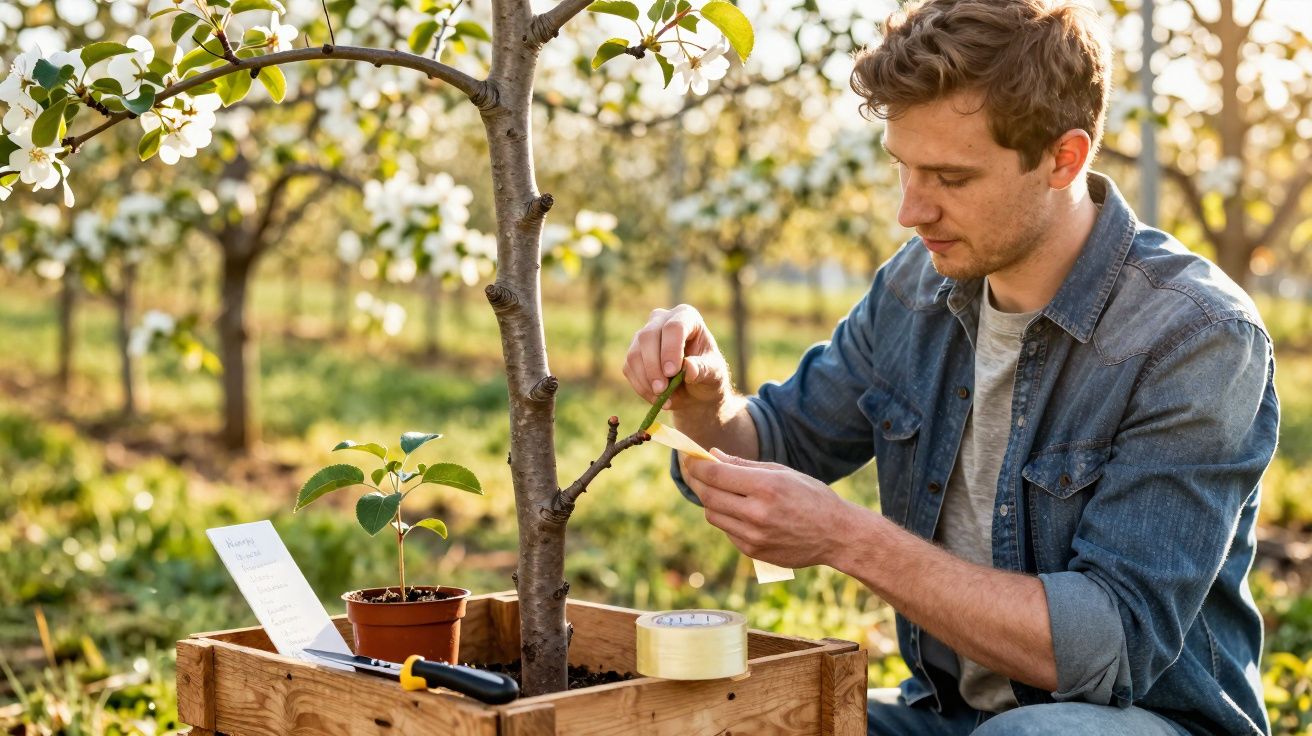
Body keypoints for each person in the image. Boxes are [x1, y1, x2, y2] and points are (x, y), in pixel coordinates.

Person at [621, 0, 1279, 734]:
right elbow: (776, 445)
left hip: (1140, 720)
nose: (910, 211)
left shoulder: (1196, 337)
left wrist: (848, 537)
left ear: (1064, 159)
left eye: (950, 178)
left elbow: (1109, 645)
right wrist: (704, 403)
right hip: (946, 716)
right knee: (730, 721)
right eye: (902, 167)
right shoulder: (915, 288)